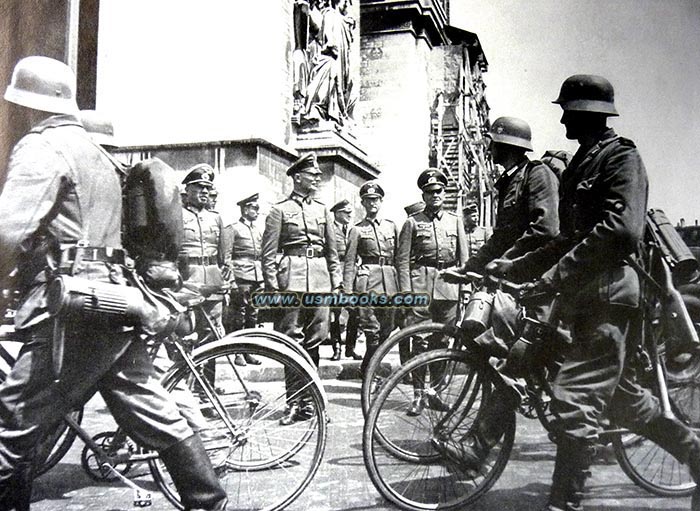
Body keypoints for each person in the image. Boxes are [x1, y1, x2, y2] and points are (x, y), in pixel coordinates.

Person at [439, 74, 700, 511]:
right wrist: (518, 267)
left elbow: (621, 232)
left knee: (574, 403)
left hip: (609, 296)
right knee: (626, 404)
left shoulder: (622, 160)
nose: (560, 118)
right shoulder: (584, 163)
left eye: (566, 110)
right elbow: (565, 239)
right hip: (579, 299)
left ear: (584, 113)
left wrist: (552, 277)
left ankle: (564, 504)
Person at [0, 56, 227, 510]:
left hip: (72, 307)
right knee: (148, 407)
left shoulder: (42, 147)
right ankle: (208, 500)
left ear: (27, 105)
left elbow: (9, 230)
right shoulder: (97, 155)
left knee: (14, 423)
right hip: (114, 300)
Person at [261, 152, 341, 425]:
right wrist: (272, 287)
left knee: (316, 339)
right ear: (297, 177)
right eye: (312, 175)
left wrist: (337, 283)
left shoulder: (322, 211)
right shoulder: (279, 210)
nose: (317, 178)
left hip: (319, 279)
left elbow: (333, 252)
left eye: (318, 175)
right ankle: (293, 402)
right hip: (291, 279)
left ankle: (310, 401)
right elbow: (268, 253)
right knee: (290, 340)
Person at [396, 168, 468, 416]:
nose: (435, 195)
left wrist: (465, 289)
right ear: (423, 195)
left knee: (443, 341)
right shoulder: (413, 222)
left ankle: (434, 393)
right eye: (429, 192)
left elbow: (464, 259)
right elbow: (402, 261)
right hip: (420, 285)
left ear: (444, 193)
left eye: (438, 191)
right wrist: (406, 291)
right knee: (420, 341)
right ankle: (417, 395)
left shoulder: (455, 221)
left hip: (449, 285)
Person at [460, 116, 560, 276]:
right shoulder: (510, 180)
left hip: (534, 275)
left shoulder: (538, 174)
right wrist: (469, 267)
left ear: (506, 146)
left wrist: (506, 261)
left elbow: (545, 230)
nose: (488, 150)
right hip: (511, 275)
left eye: (493, 144)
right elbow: (501, 237)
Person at [179, 164, 232, 389]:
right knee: (184, 334)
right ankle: (182, 386)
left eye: (207, 188)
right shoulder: (177, 215)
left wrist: (224, 279)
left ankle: (205, 388)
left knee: (211, 337)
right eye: (199, 187)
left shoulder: (216, 218)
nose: (204, 191)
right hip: (186, 281)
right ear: (187, 190)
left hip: (212, 283)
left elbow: (223, 256)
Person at [343, 182, 399, 375]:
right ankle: (371, 373)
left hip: (390, 282)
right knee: (371, 330)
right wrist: (348, 292)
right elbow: (349, 262)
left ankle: (367, 365)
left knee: (387, 329)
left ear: (381, 201)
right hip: (367, 283)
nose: (372, 203)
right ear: (363, 203)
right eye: (368, 200)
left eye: (375, 200)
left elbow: (400, 259)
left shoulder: (392, 227)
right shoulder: (357, 229)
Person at [223, 193, 263, 366]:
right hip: (241, 277)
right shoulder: (233, 228)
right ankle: (237, 352)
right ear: (245, 209)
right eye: (254, 208)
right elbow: (226, 257)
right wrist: (231, 279)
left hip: (256, 277)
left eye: (257, 208)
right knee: (238, 315)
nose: (257, 211)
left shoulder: (257, 230)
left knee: (253, 316)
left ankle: (249, 351)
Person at [329, 199, 361, 361]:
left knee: (354, 313)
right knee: (335, 313)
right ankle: (337, 348)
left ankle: (350, 348)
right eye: (346, 213)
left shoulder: (354, 230)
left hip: (352, 275)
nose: (349, 215)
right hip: (335, 273)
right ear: (337, 213)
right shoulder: (330, 229)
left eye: (350, 213)